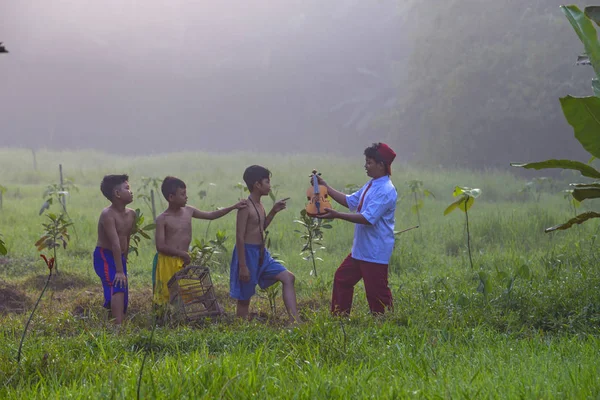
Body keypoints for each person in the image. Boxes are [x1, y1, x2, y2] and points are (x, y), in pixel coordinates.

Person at [316, 143, 397, 315]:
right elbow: (351, 201)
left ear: (381, 165)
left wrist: (337, 215)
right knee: (342, 279)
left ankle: (388, 326)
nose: (365, 166)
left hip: (375, 251)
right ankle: (339, 319)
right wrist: (325, 187)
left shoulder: (386, 190)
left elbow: (368, 218)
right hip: (361, 249)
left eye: (369, 162)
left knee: (377, 294)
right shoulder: (371, 184)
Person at [153, 176, 247, 305]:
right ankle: (164, 319)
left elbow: (211, 215)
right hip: (168, 262)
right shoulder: (162, 219)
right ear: (171, 197)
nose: (186, 197)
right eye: (182, 194)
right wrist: (181, 253)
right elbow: (160, 246)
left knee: (188, 291)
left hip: (183, 261)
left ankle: (186, 316)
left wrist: (233, 207)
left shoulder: (189, 211)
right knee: (167, 294)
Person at [230, 165, 299, 323]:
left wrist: (273, 211)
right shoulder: (245, 207)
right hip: (247, 254)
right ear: (257, 184)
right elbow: (239, 237)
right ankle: (240, 330)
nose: (270, 185)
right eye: (267, 181)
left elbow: (260, 228)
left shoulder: (260, 205)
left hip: (262, 254)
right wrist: (243, 266)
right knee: (244, 298)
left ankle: (295, 321)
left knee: (288, 278)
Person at [94, 174, 136, 325]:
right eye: (127, 188)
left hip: (119, 257)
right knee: (116, 285)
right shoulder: (108, 215)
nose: (131, 191)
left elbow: (126, 237)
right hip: (105, 256)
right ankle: (118, 327)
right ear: (117, 194)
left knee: (122, 290)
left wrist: (124, 257)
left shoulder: (132, 214)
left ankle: (114, 320)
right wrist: (119, 270)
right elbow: (115, 244)